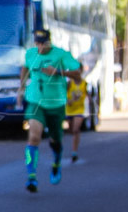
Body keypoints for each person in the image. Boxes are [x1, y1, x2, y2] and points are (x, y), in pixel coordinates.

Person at [16, 29, 82, 193]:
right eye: (37, 43)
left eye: (42, 43)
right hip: (35, 102)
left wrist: (58, 72)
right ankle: (31, 176)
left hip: (56, 104)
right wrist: (21, 87)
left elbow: (78, 75)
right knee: (34, 136)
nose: (39, 46)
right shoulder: (30, 54)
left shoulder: (61, 54)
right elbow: (25, 69)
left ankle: (57, 162)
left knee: (56, 141)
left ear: (48, 42)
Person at [64, 75, 86, 164]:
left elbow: (87, 94)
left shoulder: (85, 84)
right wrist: (67, 101)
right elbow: (62, 94)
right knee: (71, 130)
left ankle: (74, 152)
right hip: (69, 110)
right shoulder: (69, 84)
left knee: (76, 130)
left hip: (79, 110)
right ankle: (73, 149)